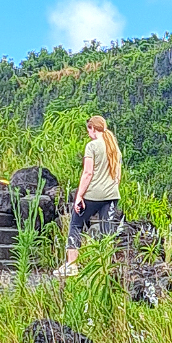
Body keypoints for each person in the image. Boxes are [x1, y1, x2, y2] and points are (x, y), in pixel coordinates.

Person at [63, 115, 122, 268]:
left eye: (89, 130)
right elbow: (118, 176)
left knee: (76, 224)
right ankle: (106, 267)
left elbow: (88, 173)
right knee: (107, 231)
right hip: (111, 195)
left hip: (93, 195)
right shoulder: (115, 148)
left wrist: (79, 196)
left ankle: (72, 265)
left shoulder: (92, 146)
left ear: (93, 128)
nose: (88, 133)